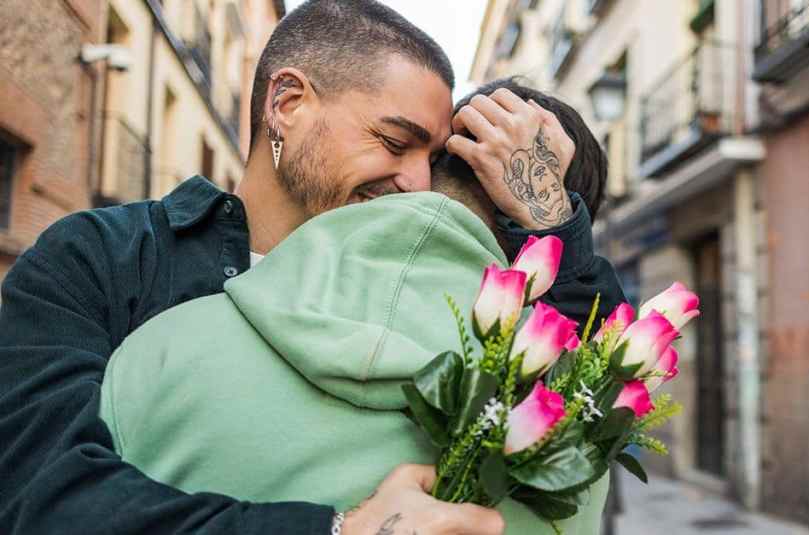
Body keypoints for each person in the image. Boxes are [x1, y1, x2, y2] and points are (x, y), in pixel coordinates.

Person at [0, 2, 623, 534]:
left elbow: (600, 382)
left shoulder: (430, 289)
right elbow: (40, 494)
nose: (417, 180)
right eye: (393, 141)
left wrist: (550, 221)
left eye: (432, 157)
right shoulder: (103, 255)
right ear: (287, 103)